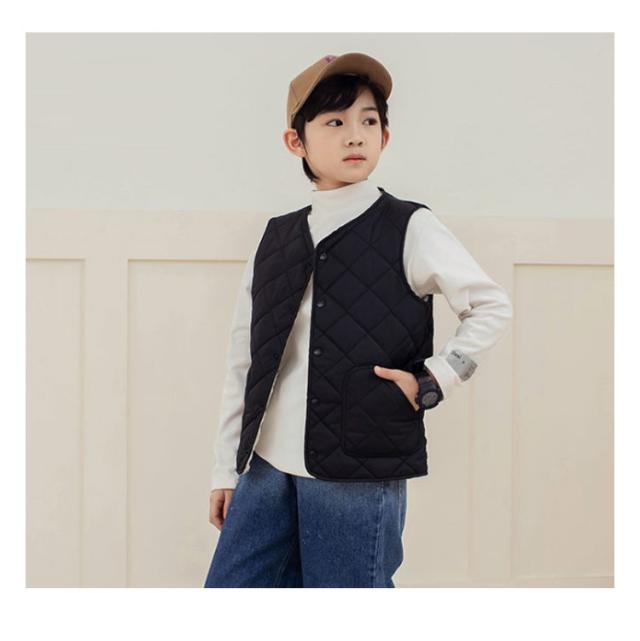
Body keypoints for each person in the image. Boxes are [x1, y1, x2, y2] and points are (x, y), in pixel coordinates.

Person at [203, 52, 513, 588]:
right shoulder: (276, 237)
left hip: (358, 465)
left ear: (384, 137)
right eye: (335, 122)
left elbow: (490, 305)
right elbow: (245, 359)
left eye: (369, 121)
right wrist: (226, 468)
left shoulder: (410, 226)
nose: (355, 136)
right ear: (296, 141)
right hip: (266, 464)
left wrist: (434, 379)